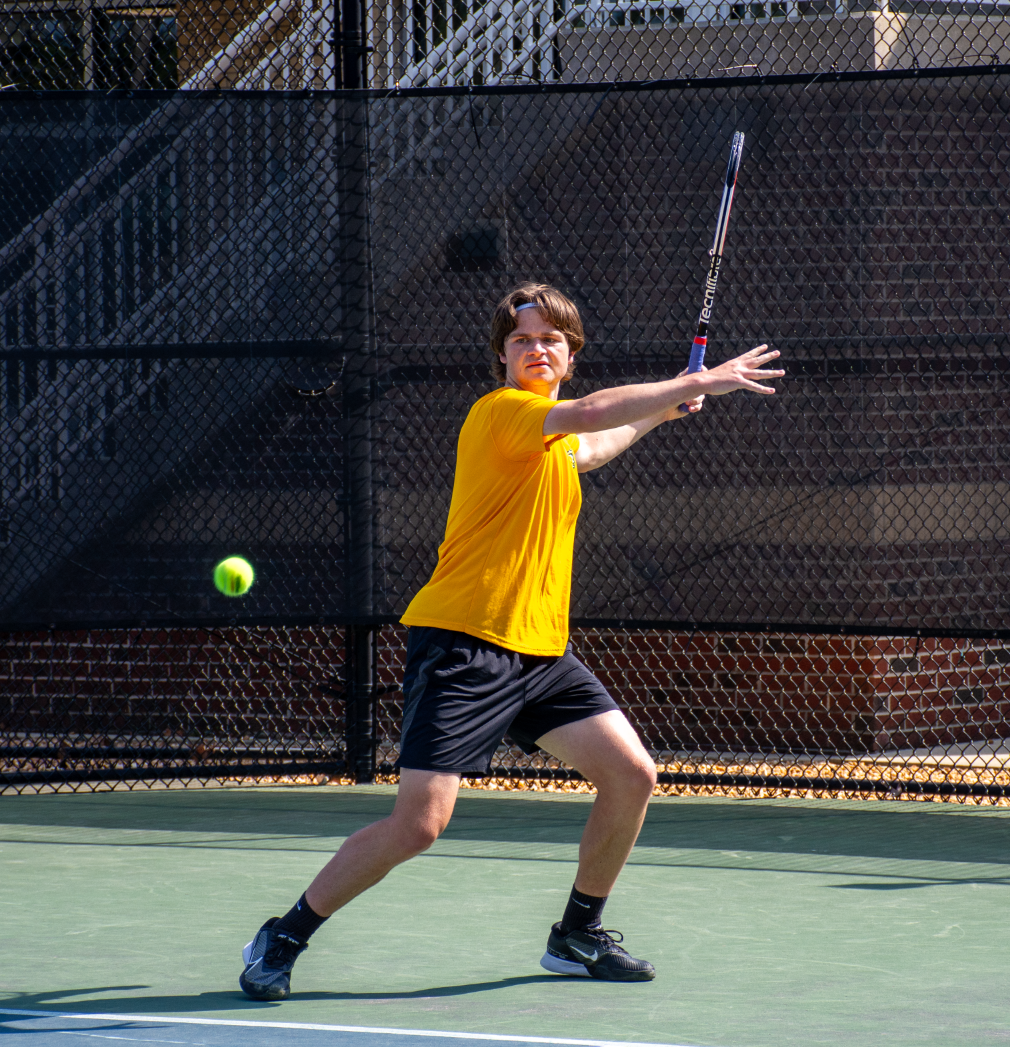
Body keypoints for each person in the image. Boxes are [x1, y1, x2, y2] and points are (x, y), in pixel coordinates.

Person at [239, 283, 784, 1000]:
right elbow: (589, 414)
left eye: (550, 339)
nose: (536, 349)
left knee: (632, 775)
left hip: (539, 652)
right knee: (419, 825)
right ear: (501, 355)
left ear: (570, 354)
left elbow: (594, 442)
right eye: (523, 339)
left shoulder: (552, 441)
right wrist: (693, 382)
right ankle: (285, 933)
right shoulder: (501, 414)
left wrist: (661, 410)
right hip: (465, 642)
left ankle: (576, 935)